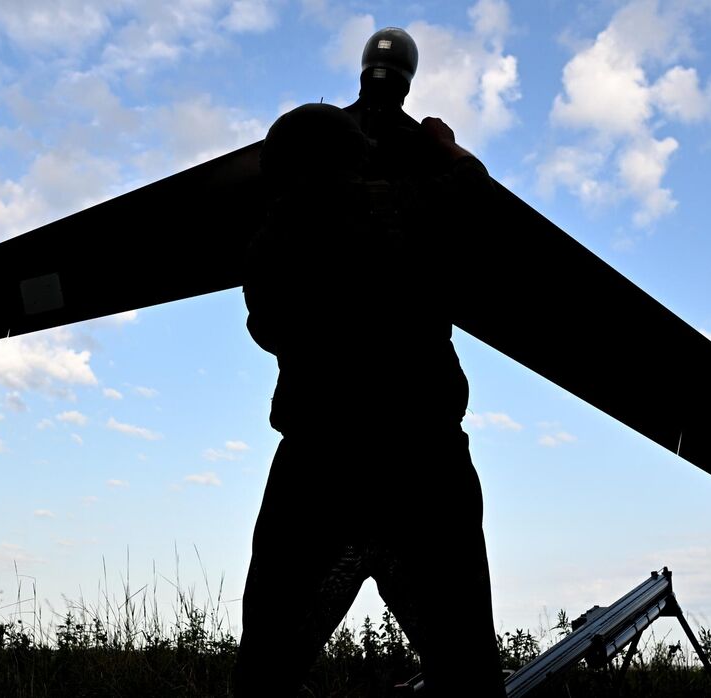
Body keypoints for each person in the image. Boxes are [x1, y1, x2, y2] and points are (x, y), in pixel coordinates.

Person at [232, 28, 507, 698]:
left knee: (266, 665)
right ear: (350, 159)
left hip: (316, 463)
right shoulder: (408, 207)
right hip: (422, 462)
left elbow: (265, 329)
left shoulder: (270, 241)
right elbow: (476, 195)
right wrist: (442, 149)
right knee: (466, 664)